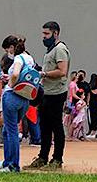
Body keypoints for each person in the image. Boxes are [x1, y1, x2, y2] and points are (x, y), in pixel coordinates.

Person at [28, 21, 69, 170]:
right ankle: (42, 157)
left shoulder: (60, 49)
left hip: (57, 93)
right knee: (44, 126)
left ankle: (57, 159)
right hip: (47, 92)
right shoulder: (51, 50)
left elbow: (62, 70)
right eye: (43, 34)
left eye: (46, 34)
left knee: (56, 126)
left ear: (55, 33)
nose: (44, 37)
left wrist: (44, 74)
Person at [0, 35, 33, 172]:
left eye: (7, 50)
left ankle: (12, 165)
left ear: (11, 47)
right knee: (8, 130)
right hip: (24, 97)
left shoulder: (18, 58)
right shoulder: (29, 58)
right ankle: (7, 161)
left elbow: (15, 74)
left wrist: (10, 83)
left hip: (12, 96)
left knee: (11, 131)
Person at [88, 73, 97, 139]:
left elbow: (89, 96)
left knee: (92, 117)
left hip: (91, 103)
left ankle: (91, 130)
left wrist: (88, 103)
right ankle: (95, 130)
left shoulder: (89, 86)